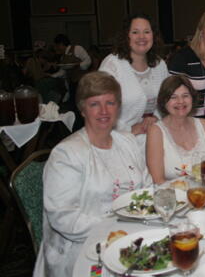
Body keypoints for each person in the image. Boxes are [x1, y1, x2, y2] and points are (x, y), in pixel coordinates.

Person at [33, 71, 150, 277]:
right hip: (81, 249)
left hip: (129, 237)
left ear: (119, 107)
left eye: (110, 103)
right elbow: (63, 217)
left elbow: (147, 187)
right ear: (82, 109)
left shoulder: (127, 142)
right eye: (95, 104)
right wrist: (116, 226)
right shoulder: (67, 154)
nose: (104, 111)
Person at [99, 13, 169, 140]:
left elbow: (167, 98)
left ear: (153, 35)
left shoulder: (160, 65)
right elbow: (101, 106)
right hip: (118, 139)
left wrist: (155, 118)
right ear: (126, 36)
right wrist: (129, 129)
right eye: (135, 32)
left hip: (153, 136)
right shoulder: (112, 65)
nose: (142, 37)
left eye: (147, 32)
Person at [146, 75, 205, 184]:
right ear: (164, 101)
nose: (180, 101)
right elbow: (158, 181)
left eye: (185, 95)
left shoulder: (204, 125)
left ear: (192, 98)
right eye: (173, 97)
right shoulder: (156, 132)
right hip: (175, 197)